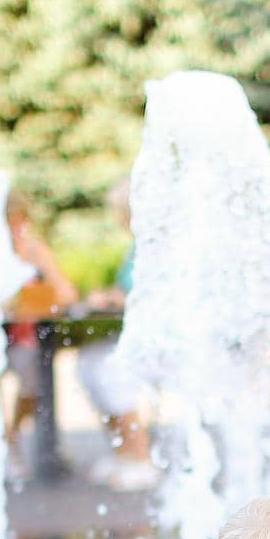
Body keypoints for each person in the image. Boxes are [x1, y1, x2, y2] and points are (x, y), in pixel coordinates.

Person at [76, 181, 161, 490]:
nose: (116, 218)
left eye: (118, 211)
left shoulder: (160, 246)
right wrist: (111, 295)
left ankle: (142, 457)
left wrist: (117, 300)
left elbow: (160, 297)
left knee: (112, 370)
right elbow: (129, 289)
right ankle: (122, 450)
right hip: (138, 337)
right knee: (88, 363)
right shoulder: (136, 247)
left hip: (164, 343)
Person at [4, 191, 80, 474]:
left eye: (22, 221)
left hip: (21, 336)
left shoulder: (33, 250)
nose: (18, 228)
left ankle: (9, 436)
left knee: (33, 372)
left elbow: (68, 293)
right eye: (13, 222)